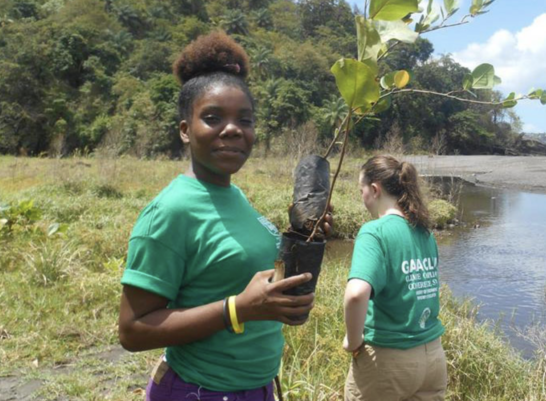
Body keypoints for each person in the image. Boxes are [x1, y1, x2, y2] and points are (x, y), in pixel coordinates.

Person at [117, 31, 330, 401]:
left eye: (244, 120)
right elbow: (132, 330)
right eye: (213, 117)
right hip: (200, 392)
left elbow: (236, 264)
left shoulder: (233, 194)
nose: (233, 129)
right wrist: (238, 309)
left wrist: (303, 234)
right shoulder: (170, 211)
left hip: (256, 388)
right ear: (186, 130)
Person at [342, 155, 447, 401]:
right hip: (432, 357)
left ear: (375, 189)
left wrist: (353, 342)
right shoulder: (425, 232)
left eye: (361, 190)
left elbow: (356, 294)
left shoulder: (374, 232)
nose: (362, 197)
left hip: (388, 360)